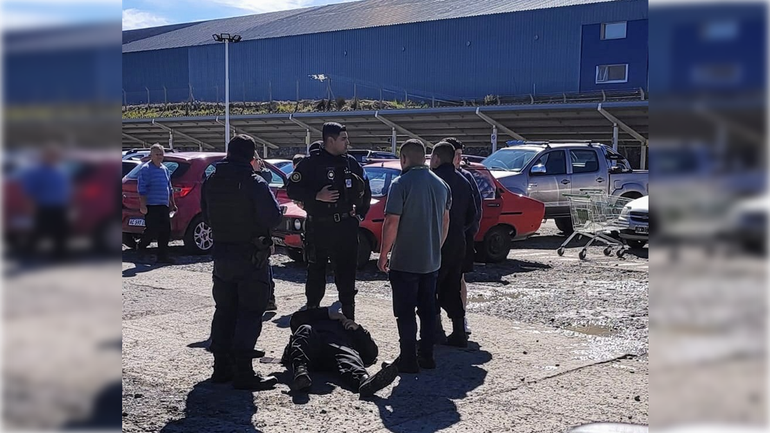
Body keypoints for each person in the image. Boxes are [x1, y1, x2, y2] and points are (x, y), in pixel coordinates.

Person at [200, 135, 282, 390]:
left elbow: (206, 215)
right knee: (249, 313)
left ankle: (221, 367)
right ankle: (244, 372)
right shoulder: (254, 182)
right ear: (251, 157)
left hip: (222, 255)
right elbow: (273, 218)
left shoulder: (211, 180)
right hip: (251, 257)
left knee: (224, 310)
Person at [377, 139, 451, 373]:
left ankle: (408, 359)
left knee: (405, 312)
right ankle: (427, 356)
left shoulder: (401, 184)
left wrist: (383, 254)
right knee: (428, 311)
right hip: (431, 261)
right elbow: (445, 221)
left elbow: (391, 222)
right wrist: (435, 247)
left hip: (405, 261)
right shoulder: (441, 185)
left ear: (403, 159)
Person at [286, 123, 371, 321]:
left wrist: (360, 214)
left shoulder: (350, 162)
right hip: (319, 226)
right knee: (316, 272)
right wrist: (317, 195)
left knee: (347, 274)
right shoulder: (310, 163)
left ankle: (350, 320)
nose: (347, 143)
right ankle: (313, 316)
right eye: (343, 139)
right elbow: (292, 189)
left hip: (345, 227)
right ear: (330, 141)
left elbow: (365, 189)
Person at [281, 306, 399, 396]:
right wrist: (328, 313)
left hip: (335, 355)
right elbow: (296, 319)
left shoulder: (350, 331)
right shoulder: (315, 321)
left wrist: (359, 330)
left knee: (348, 353)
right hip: (311, 349)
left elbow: (371, 355)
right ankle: (300, 374)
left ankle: (364, 382)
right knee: (305, 329)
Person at [429, 142, 477, 348]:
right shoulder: (464, 181)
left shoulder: (432, 181)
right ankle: (458, 332)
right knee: (453, 286)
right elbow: (472, 215)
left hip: (434, 242)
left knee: (430, 289)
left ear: (437, 159)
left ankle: (434, 332)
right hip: (458, 242)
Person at [443, 137, 482, 335]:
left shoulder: (467, 178)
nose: (458, 160)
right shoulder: (435, 177)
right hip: (439, 241)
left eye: (460, 155)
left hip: (461, 239)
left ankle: (461, 319)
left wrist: (465, 233)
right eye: (455, 156)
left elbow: (475, 212)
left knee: (459, 280)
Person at [20, 143, 71, 259]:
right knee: (39, 231)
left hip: (60, 206)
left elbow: (66, 189)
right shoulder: (37, 171)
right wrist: (30, 206)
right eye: (52, 155)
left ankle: (60, 255)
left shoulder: (60, 170)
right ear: (45, 156)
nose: (54, 157)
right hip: (44, 206)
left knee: (62, 231)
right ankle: (27, 251)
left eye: (56, 155)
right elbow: (30, 191)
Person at [137, 144, 177, 264]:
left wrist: (172, 204)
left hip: (163, 205)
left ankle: (162, 256)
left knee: (166, 231)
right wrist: (143, 205)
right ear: (151, 155)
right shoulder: (146, 169)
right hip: (151, 205)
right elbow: (142, 188)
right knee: (152, 230)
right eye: (157, 154)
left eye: (161, 154)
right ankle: (141, 246)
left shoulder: (165, 169)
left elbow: (169, 188)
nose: (160, 157)